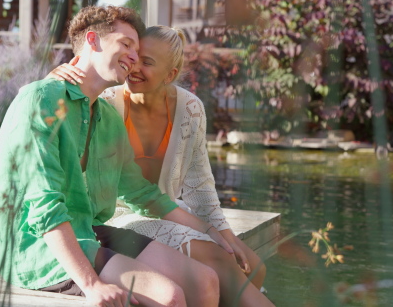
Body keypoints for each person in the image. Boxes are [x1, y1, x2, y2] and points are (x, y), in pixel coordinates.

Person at [0, 6, 232, 307]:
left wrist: (213, 232)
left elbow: (144, 194)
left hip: (88, 231)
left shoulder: (107, 116)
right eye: (126, 44)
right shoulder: (40, 101)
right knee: (170, 297)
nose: (134, 56)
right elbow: (44, 206)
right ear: (93, 40)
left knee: (205, 279)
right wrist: (92, 285)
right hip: (38, 246)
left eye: (138, 49)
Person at [48, 25, 275, 307]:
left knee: (254, 265)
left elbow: (200, 187)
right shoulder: (106, 103)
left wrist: (228, 237)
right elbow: (57, 107)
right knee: (217, 260)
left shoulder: (190, 108)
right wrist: (55, 77)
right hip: (117, 216)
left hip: (170, 211)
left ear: (170, 74)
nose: (134, 66)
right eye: (134, 56)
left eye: (148, 62)